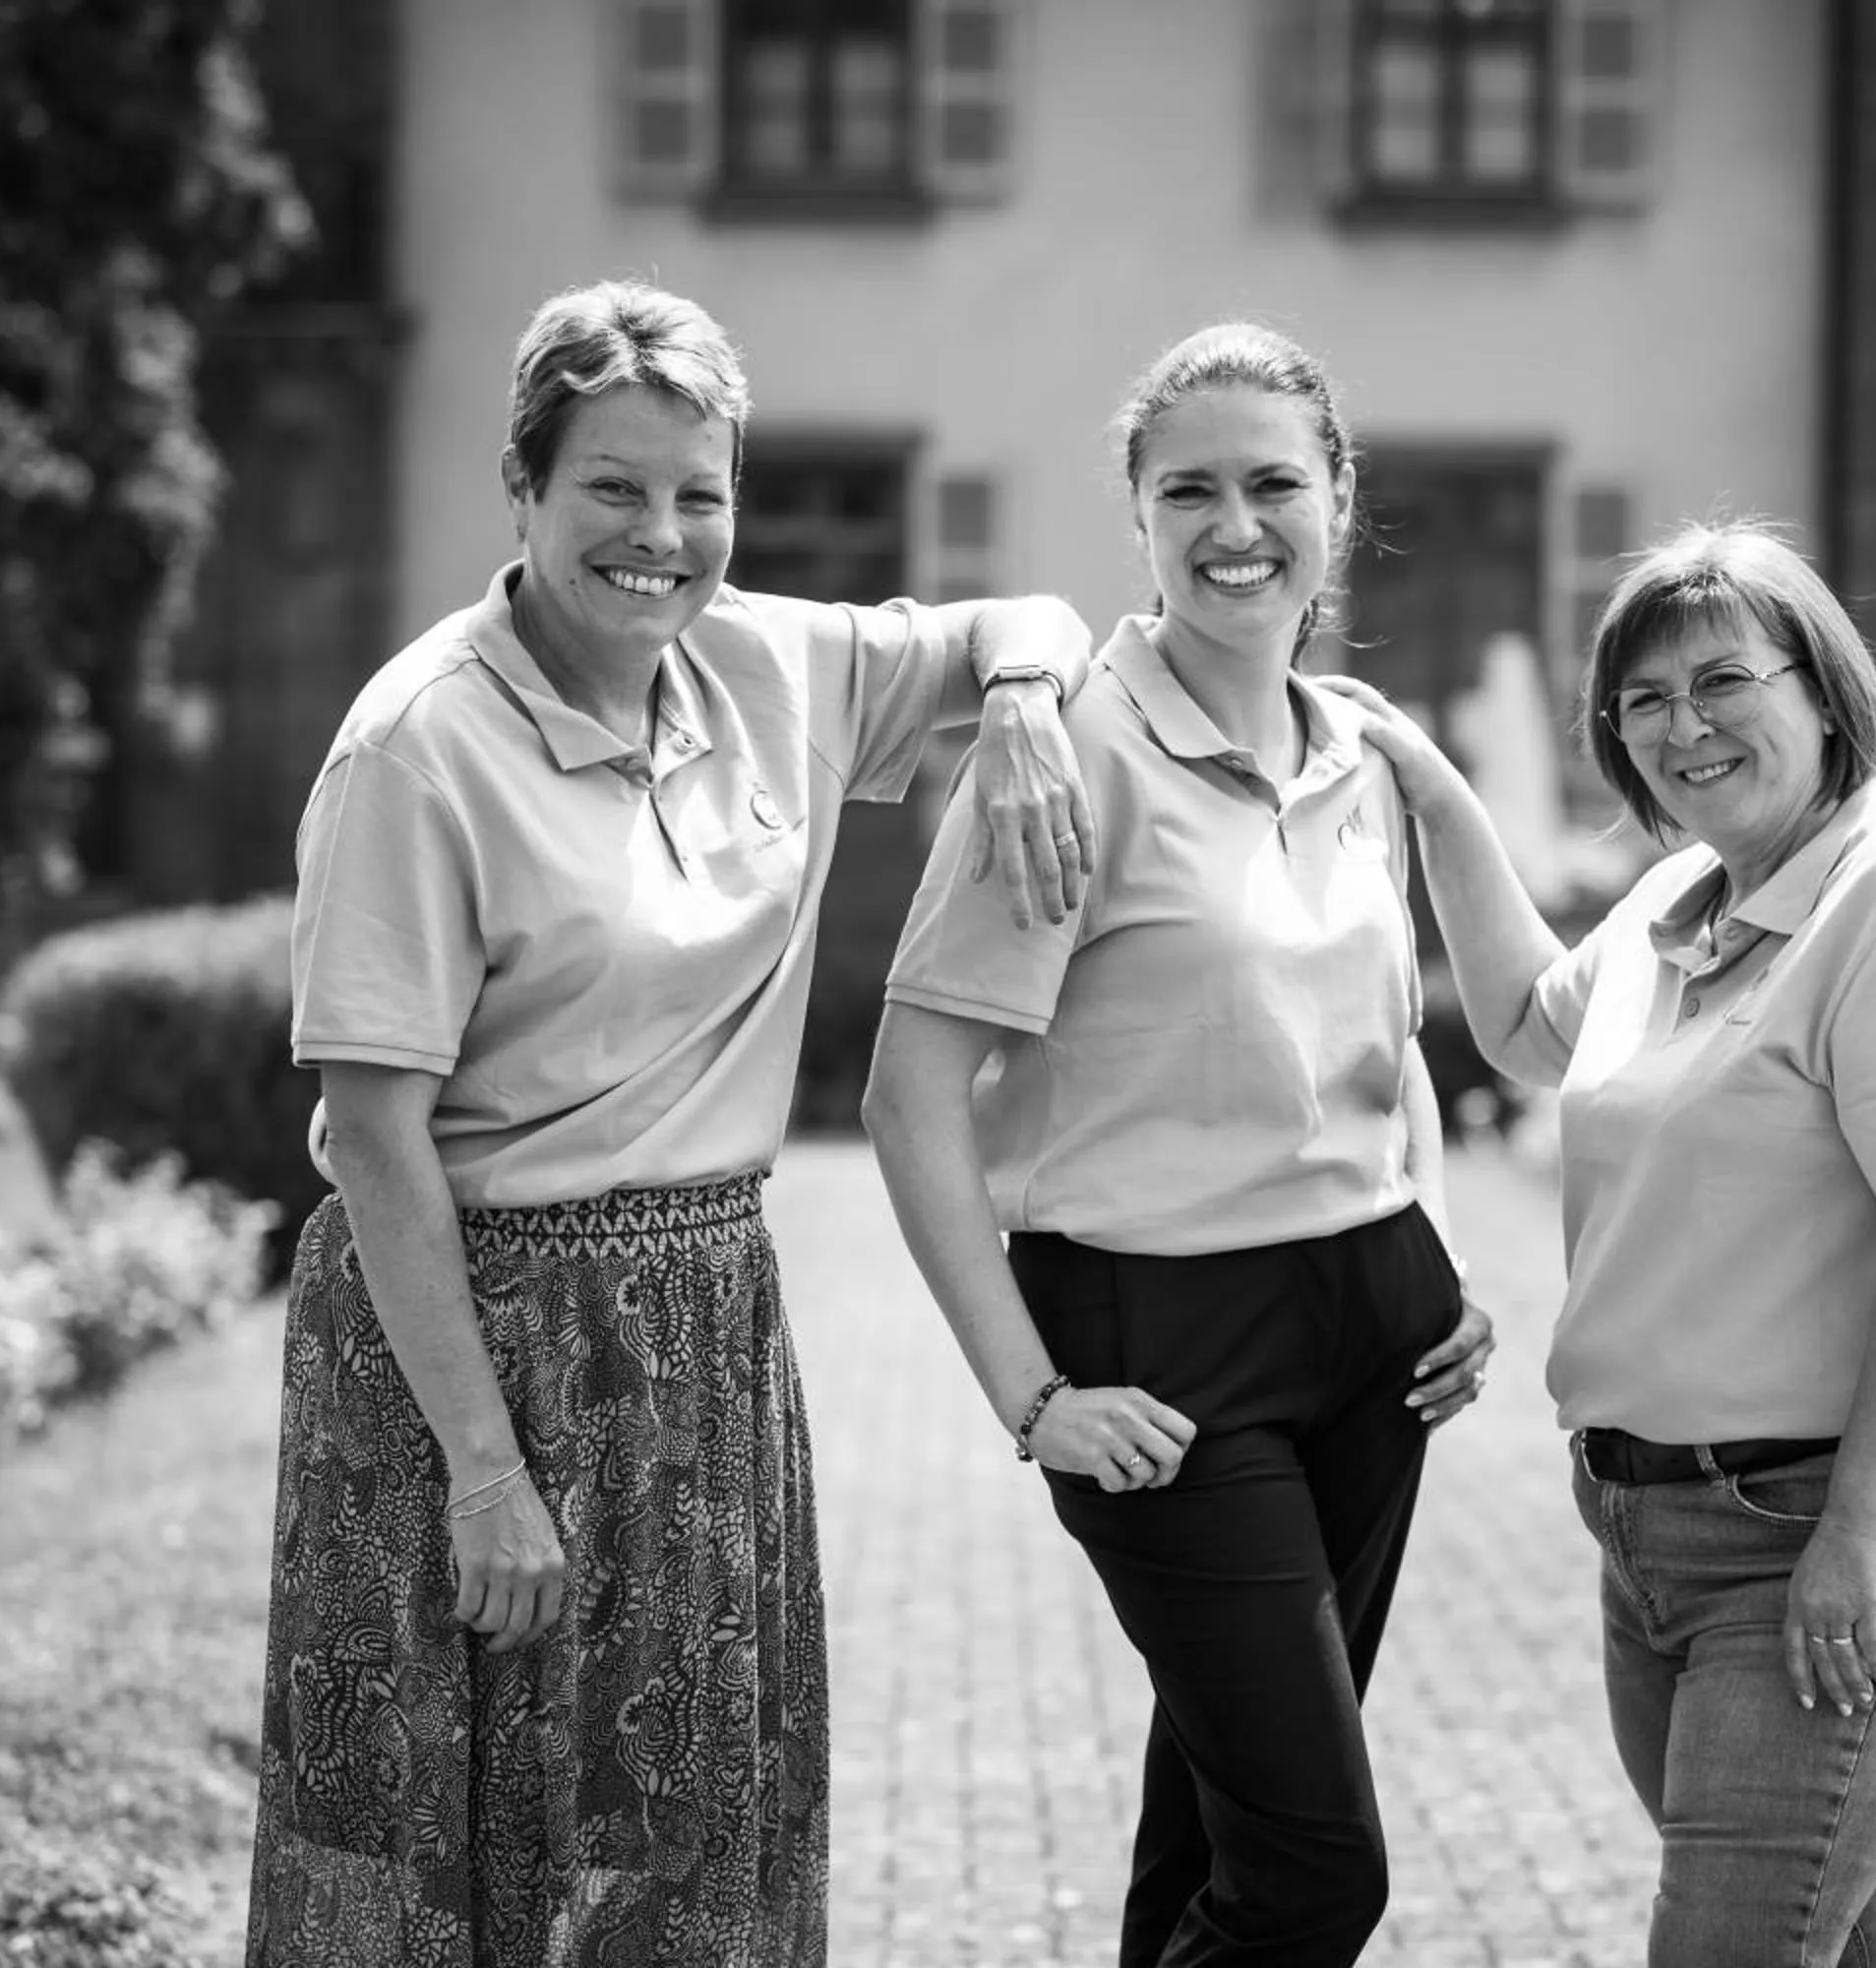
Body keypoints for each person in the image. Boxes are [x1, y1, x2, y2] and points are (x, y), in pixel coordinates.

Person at [243, 278, 1099, 1968]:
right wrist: (486, 1472)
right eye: (614, 490)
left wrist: (1015, 709)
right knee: (445, 1848)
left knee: (695, 1838)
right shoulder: (414, 752)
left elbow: (1040, 613)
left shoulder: (769, 662)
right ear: (525, 488)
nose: (664, 535)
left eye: (700, 493)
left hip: (705, 1324)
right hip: (465, 1340)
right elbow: (377, 1134)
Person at [1319, 518, 1876, 1966]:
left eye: (1724, 682)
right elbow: (1535, 1031)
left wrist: (1855, 1539)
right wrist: (1432, 789)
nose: (1683, 727)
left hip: (1833, 1529)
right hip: (1653, 1531)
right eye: (1644, 701)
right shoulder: (1686, 896)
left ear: (1824, 688)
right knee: (1810, 1935)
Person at [860, 322, 1499, 1967]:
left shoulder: (1355, 749)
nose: (1238, 525)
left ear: (1338, 502)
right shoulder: (1064, 750)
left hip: (1378, 1335)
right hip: (1156, 1347)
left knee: (1219, 1830)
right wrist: (1032, 1401)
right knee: (1313, 1874)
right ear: (1137, 516)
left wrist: (1433, 1250)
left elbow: (1379, 1040)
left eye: (1276, 483)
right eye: (1189, 489)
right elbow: (910, 1094)